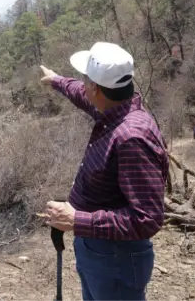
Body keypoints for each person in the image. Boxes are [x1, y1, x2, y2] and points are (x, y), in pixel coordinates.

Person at [39, 42, 169, 301]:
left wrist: (76, 220)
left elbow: (148, 219)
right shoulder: (113, 108)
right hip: (100, 251)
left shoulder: (131, 138)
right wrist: (56, 80)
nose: (82, 84)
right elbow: (78, 91)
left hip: (116, 258)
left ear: (96, 89)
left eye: (85, 80)